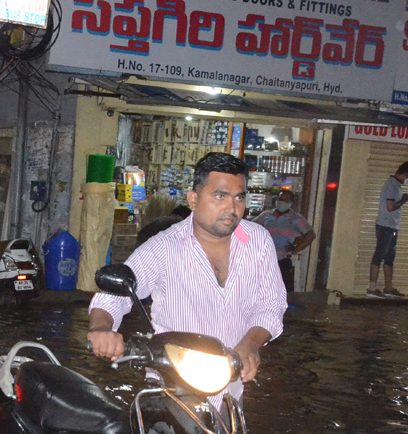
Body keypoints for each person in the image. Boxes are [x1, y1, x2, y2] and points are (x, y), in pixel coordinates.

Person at [87, 152, 287, 400]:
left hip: (230, 382)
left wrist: (250, 344)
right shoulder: (163, 247)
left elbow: (271, 303)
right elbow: (112, 298)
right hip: (173, 384)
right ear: (193, 199)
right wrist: (101, 329)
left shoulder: (258, 241)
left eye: (239, 197)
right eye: (220, 196)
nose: (231, 208)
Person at [254, 190, 315, 292]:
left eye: (285, 200)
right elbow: (252, 229)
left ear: (290, 203)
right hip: (263, 260)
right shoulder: (265, 215)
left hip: (282, 260)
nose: (282, 202)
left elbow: (310, 234)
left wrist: (296, 249)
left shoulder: (296, 218)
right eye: (280, 199)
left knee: (282, 291)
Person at [368, 161, 408, 297]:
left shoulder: (396, 185)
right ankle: (372, 288)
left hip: (392, 226)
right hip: (385, 225)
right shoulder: (391, 185)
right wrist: (403, 200)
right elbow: (390, 207)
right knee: (379, 255)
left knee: (390, 257)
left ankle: (388, 288)